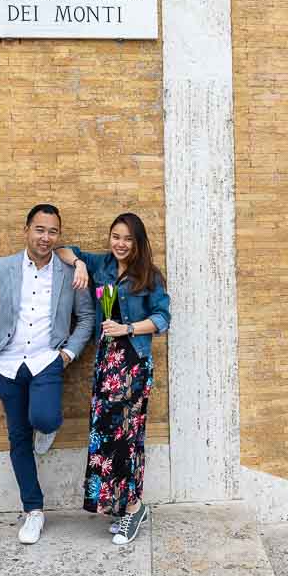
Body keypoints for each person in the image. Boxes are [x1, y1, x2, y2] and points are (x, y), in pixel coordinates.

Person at [0, 204, 95, 545]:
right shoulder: (3, 268)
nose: (45, 237)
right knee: (18, 438)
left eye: (52, 231)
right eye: (39, 229)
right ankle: (34, 510)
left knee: (43, 418)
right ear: (26, 230)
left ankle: (46, 429)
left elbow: (85, 318)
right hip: (7, 364)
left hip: (47, 360)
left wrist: (68, 354)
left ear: (59, 235)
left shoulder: (71, 272)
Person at [56, 212, 170, 546]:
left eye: (128, 239)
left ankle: (132, 508)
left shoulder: (149, 276)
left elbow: (163, 318)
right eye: (116, 237)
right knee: (105, 435)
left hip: (133, 363)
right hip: (107, 363)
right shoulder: (101, 265)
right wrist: (78, 264)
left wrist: (128, 328)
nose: (120, 244)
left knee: (126, 438)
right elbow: (63, 249)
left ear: (138, 243)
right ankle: (126, 506)